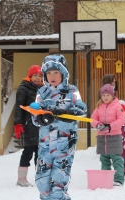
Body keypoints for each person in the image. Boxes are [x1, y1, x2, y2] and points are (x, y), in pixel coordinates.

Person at [33, 54, 87, 199]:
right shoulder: (42, 92)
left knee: (58, 186)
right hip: (45, 146)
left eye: (56, 72)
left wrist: (64, 112)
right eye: (48, 72)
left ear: (63, 73)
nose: (52, 76)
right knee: (42, 183)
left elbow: (82, 110)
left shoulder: (72, 90)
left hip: (64, 145)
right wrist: (39, 118)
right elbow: (35, 115)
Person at [91, 84, 125, 186]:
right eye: (104, 95)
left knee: (116, 158)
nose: (105, 97)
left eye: (108, 95)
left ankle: (119, 179)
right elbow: (93, 119)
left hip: (114, 136)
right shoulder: (98, 107)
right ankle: (105, 178)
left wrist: (110, 126)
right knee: (104, 159)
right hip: (102, 137)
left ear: (112, 95)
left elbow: (121, 119)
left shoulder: (117, 106)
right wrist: (97, 125)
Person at [14, 65, 43, 187]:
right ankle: (21, 178)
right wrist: (18, 124)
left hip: (41, 125)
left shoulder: (43, 89)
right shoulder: (23, 89)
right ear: (30, 76)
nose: (37, 78)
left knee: (41, 153)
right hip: (29, 125)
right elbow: (18, 108)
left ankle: (41, 178)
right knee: (28, 151)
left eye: (40, 76)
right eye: (35, 75)